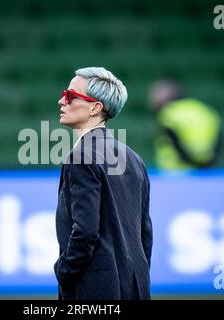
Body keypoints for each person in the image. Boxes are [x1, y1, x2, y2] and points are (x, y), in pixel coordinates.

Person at [54, 67, 153, 300]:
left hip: (96, 288)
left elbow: (85, 231)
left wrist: (64, 271)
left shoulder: (81, 156)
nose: (61, 101)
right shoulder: (135, 158)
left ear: (95, 108)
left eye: (70, 95)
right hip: (136, 285)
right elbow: (144, 234)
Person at [148, 79, 222, 170]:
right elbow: (218, 143)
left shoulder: (168, 114)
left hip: (175, 175)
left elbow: (176, 146)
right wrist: (204, 165)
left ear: (169, 94)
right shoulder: (206, 111)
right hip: (206, 173)